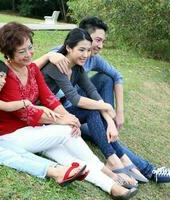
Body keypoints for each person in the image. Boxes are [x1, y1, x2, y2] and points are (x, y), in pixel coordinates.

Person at [0, 22, 138, 199]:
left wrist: (69, 117)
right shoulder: (5, 75)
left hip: (36, 132)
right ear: (8, 53)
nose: (29, 54)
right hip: (11, 136)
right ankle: (111, 173)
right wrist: (63, 121)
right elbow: (25, 113)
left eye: (30, 48)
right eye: (22, 51)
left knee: (69, 158)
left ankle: (112, 187)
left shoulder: (32, 69)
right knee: (67, 131)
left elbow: (49, 99)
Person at [39, 16, 170, 184]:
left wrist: (111, 117)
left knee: (106, 81)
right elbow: (73, 97)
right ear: (79, 40)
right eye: (97, 40)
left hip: (70, 107)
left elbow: (107, 82)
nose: (98, 46)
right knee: (97, 125)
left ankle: (117, 154)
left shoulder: (82, 63)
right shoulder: (61, 57)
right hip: (55, 111)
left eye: (102, 41)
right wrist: (49, 55)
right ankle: (145, 169)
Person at [0, 56, 89, 187]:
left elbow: (29, 70)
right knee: (9, 157)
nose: (4, 81)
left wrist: (34, 105)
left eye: (5, 77)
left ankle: (59, 168)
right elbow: (7, 106)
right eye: (0, 76)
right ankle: (55, 173)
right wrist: (32, 105)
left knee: (19, 151)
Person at [42, 28, 149, 184]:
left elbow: (92, 92)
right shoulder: (57, 66)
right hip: (42, 116)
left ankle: (116, 160)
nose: (86, 55)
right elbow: (76, 98)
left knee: (93, 110)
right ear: (69, 48)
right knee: (91, 108)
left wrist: (110, 120)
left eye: (87, 50)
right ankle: (117, 161)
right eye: (81, 50)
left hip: (59, 112)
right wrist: (106, 106)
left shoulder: (77, 68)